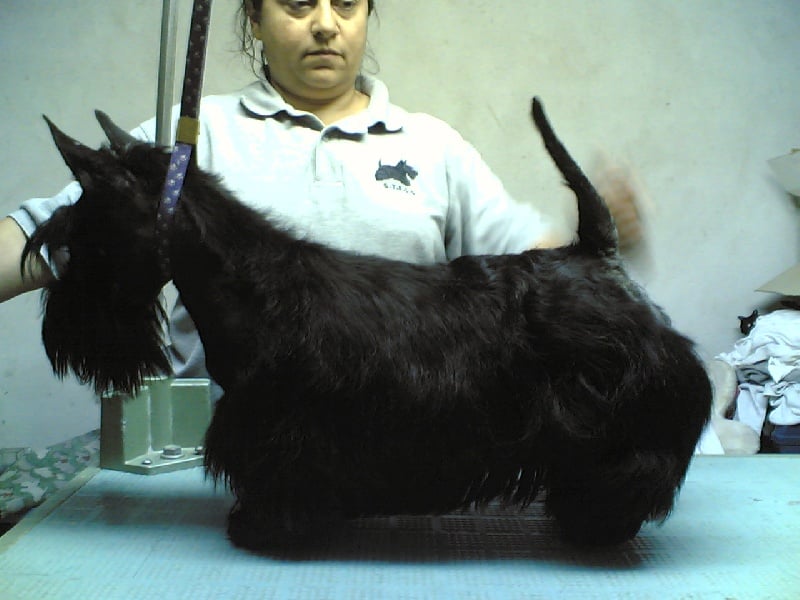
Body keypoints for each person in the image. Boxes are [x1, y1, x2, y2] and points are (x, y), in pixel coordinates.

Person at [0, 0, 641, 399]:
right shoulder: (193, 136)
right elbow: (49, 235)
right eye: (299, 3)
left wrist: (600, 241)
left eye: (347, 4)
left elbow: (527, 267)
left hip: (400, 436)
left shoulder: (433, 146)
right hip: (224, 443)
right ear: (255, 17)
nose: (326, 24)